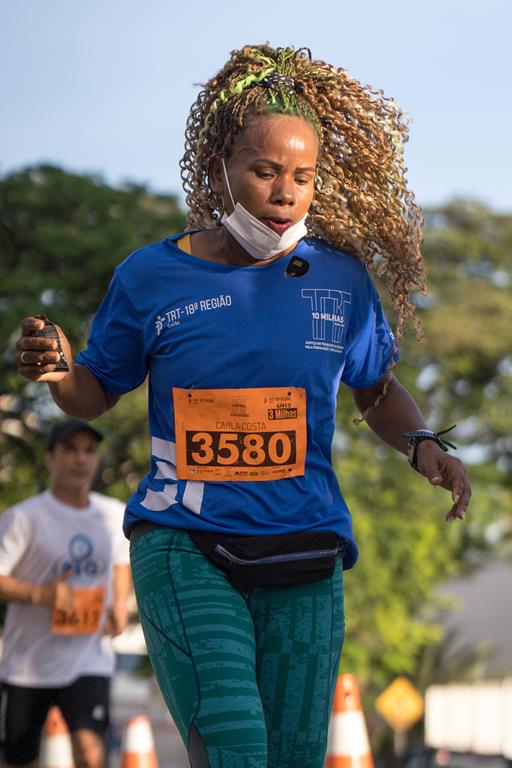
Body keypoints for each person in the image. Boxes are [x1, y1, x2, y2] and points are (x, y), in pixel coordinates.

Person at [14, 44, 471, 768]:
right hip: (186, 543)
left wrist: (423, 445)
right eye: (264, 171)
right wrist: (61, 372)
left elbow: (376, 388)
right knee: (235, 748)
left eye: (302, 177)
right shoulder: (151, 276)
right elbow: (94, 390)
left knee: (292, 758)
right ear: (218, 167)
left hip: (306, 550)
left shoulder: (341, 281)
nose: (285, 193)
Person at [0, 419, 131, 768]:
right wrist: (39, 594)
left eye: (89, 451)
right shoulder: (24, 518)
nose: (81, 459)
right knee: (20, 761)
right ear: (50, 459)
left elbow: (121, 562)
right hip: (27, 665)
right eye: (70, 450)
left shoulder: (113, 515)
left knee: (90, 752)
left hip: (88, 658)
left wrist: (119, 604)